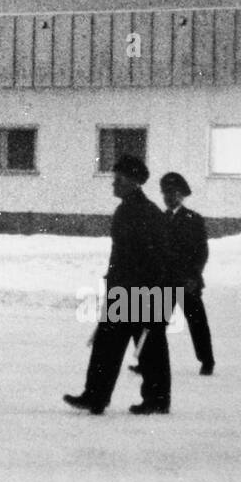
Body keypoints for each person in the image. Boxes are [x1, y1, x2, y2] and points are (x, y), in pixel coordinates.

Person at [64, 155, 171, 415]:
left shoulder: (146, 212)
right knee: (107, 344)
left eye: (119, 179)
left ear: (134, 182)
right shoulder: (127, 209)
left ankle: (156, 399)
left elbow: (157, 257)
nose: (114, 183)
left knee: (149, 347)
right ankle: (95, 396)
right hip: (125, 288)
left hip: (144, 291)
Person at [159, 172, 214, 375]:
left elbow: (202, 251)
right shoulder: (161, 219)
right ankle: (146, 362)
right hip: (165, 281)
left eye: (173, 193)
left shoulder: (193, 219)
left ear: (181, 195)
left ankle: (207, 361)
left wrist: (194, 276)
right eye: (165, 193)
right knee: (155, 324)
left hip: (186, 281)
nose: (168, 197)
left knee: (197, 322)